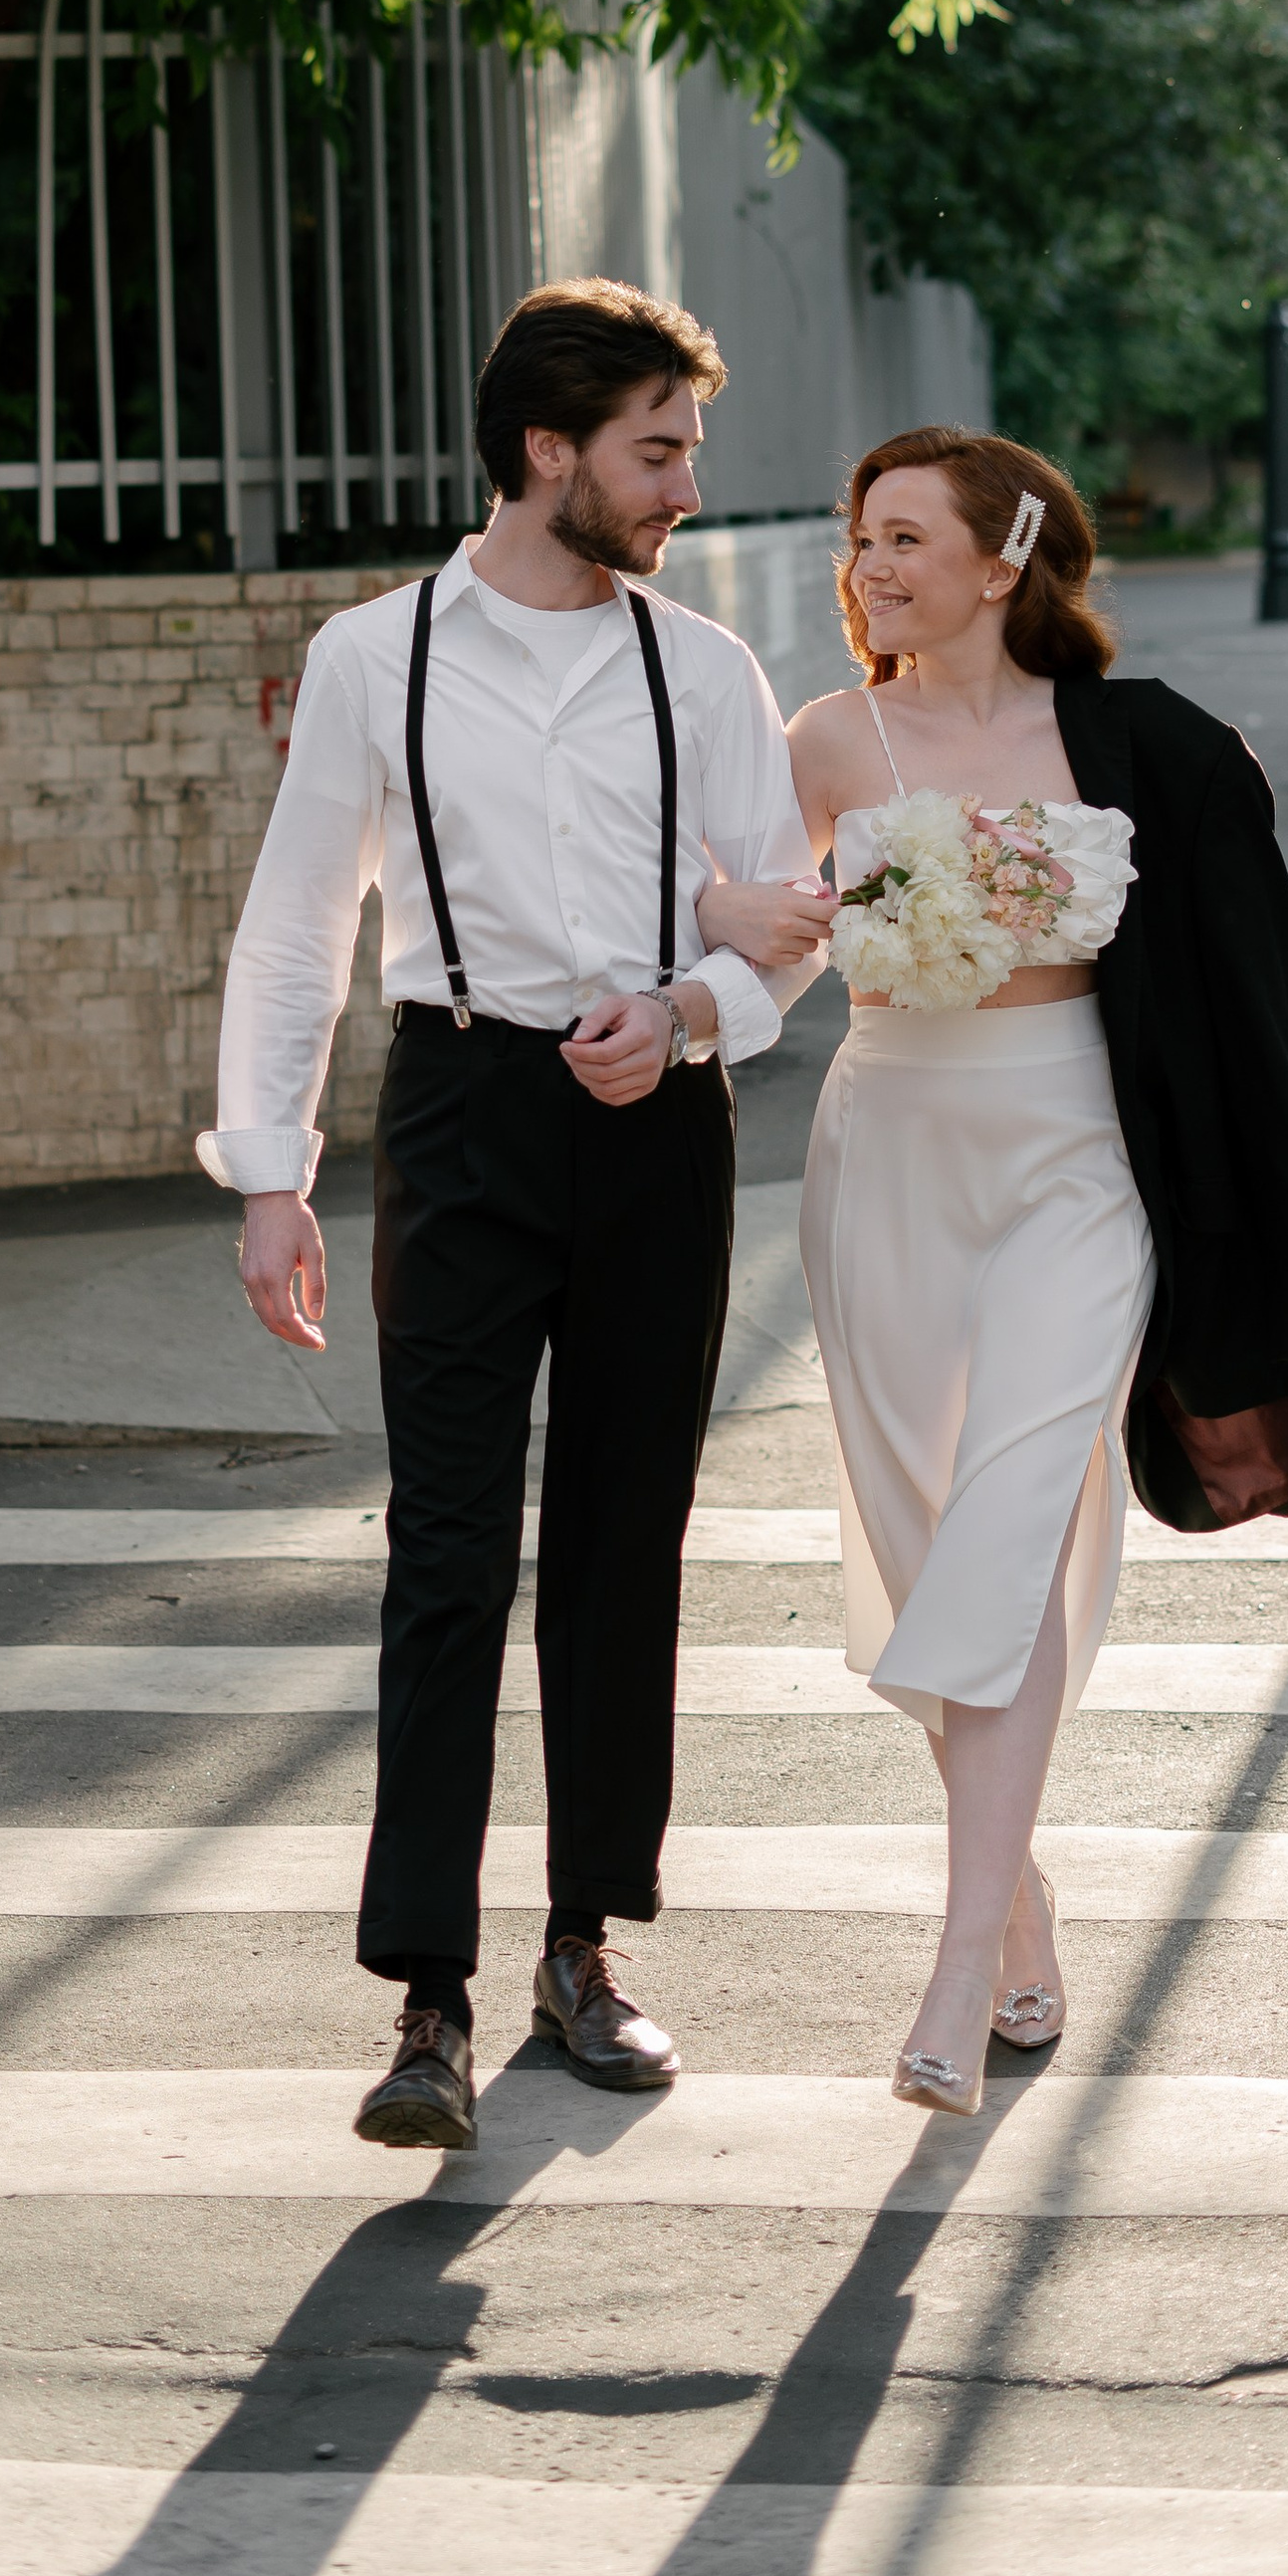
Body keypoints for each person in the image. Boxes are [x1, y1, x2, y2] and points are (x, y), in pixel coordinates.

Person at [702, 425, 1288, 2117]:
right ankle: (1023, 1892)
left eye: (907, 536)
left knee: (1018, 1522)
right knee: (929, 1555)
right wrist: (718, 951)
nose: (873, 567)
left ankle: (960, 1959)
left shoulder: (1140, 749)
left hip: (1072, 1162)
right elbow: (740, 944)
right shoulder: (822, 740)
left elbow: (1245, 991)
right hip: (885, 1159)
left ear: (1004, 559)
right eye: (859, 540)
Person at [202, 279, 814, 2153]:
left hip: (652, 1123)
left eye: (685, 447)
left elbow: (790, 909)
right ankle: (429, 1996)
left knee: (626, 1540)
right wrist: (271, 1172)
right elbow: (304, 915)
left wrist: (698, 1010)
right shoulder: (375, 656)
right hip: (460, 1107)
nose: (687, 481)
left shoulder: (700, 670)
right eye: (658, 447)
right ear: (547, 453)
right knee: (449, 1550)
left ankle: (583, 1949)